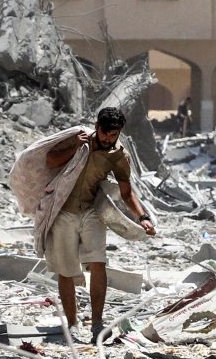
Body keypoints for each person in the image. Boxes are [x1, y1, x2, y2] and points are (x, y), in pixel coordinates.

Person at [41, 106, 156, 336]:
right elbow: (50, 161)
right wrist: (75, 147)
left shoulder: (119, 155)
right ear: (97, 128)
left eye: (114, 135)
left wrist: (142, 217)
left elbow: (126, 192)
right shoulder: (77, 139)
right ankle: (73, 324)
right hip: (63, 211)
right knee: (66, 269)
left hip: (92, 210)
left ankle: (96, 324)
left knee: (98, 263)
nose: (108, 139)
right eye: (105, 134)